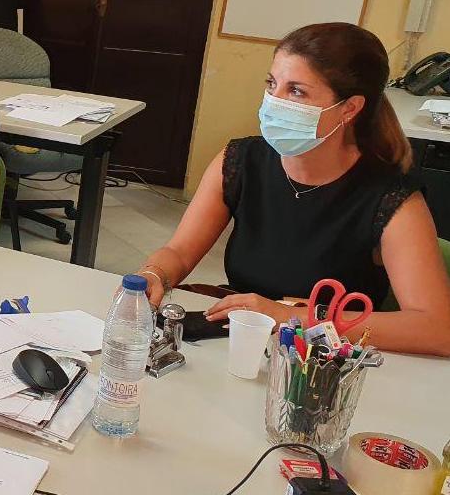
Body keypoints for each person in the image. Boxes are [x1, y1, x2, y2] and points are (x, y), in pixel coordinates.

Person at [139, 22, 450, 357]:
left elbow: (436, 329)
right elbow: (180, 252)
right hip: (246, 348)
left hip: (329, 368)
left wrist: (291, 317)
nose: (275, 101)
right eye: (272, 84)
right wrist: (154, 274)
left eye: (297, 91)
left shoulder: (391, 197)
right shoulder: (241, 160)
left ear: (350, 108)